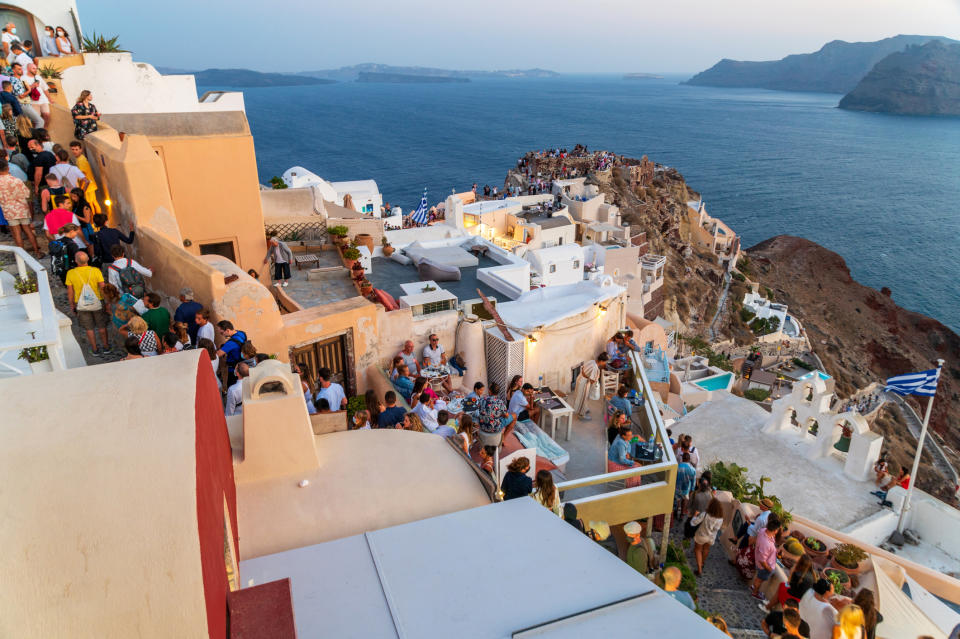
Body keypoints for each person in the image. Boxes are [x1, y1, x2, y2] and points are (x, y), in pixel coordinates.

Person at [65, 251, 109, 355]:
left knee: (89, 328)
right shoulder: (96, 271)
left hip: (81, 304)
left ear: (76, 261)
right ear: (88, 259)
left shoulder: (71, 273)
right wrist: (107, 302)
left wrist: (72, 305)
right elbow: (103, 287)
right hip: (98, 302)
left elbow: (70, 292)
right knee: (102, 326)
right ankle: (106, 347)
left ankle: (95, 349)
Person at [0, 158, 41, 256]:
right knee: (28, 230)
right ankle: (37, 252)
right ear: (8, 168)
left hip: (8, 211)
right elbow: (27, 194)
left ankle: (22, 256)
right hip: (22, 209)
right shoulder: (16, 180)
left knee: (17, 233)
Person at [690, 497, 724, 576]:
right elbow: (717, 528)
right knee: (706, 549)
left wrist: (695, 516)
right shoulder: (720, 518)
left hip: (702, 535)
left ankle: (699, 570)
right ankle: (702, 563)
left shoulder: (705, 514)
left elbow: (694, 523)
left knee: (698, 550)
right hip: (711, 537)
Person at [752, 514, 781, 603]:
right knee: (759, 580)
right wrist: (769, 569)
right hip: (764, 566)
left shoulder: (763, 531)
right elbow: (762, 560)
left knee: (758, 578)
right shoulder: (766, 544)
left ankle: (754, 587)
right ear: (775, 530)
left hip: (761, 563)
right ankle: (755, 592)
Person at [572, 352, 608, 419]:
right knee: (583, 398)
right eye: (604, 362)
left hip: (580, 378)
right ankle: (582, 415)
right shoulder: (595, 368)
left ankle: (583, 408)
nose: (604, 364)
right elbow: (592, 381)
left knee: (578, 396)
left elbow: (583, 368)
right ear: (601, 361)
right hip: (584, 383)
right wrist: (597, 377)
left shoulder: (592, 361)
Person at [23, 63, 50, 127]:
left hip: (43, 100)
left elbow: (45, 88)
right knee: (36, 119)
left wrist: (49, 98)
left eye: (36, 68)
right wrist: (33, 86)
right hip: (33, 101)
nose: (35, 70)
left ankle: (43, 132)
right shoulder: (23, 78)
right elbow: (23, 90)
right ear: (28, 69)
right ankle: (37, 134)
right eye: (33, 68)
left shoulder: (38, 77)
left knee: (47, 117)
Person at [675, 452, 697, 519]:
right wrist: (692, 490)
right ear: (689, 459)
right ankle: (682, 514)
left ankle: (677, 511)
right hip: (686, 489)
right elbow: (693, 481)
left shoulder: (677, 467)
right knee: (684, 500)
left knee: (678, 500)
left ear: (683, 458)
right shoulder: (692, 469)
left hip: (677, 488)